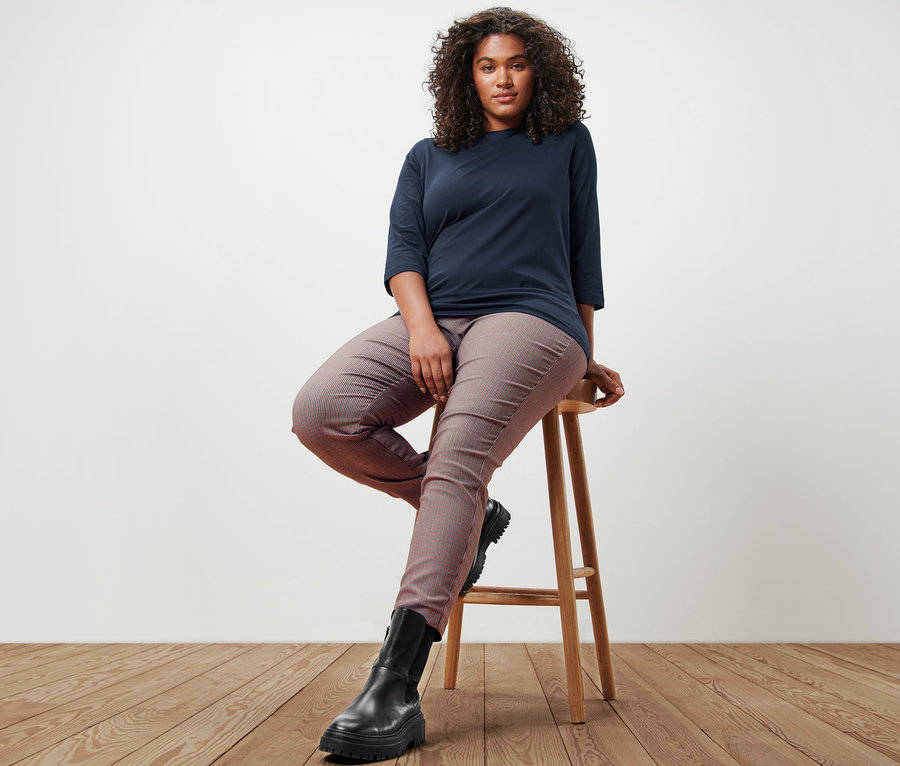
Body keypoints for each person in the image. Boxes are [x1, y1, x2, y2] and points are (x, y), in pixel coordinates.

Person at [292, 6, 624, 761]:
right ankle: (469, 512)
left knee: (458, 452)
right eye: (486, 65)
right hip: (439, 319)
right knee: (322, 411)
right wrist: (420, 328)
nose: (502, 78)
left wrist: (582, 353)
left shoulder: (566, 144)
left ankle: (393, 687)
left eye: (515, 63)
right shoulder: (428, 153)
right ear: (463, 76)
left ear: (539, 70)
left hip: (533, 324)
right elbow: (403, 252)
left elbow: (584, 257)